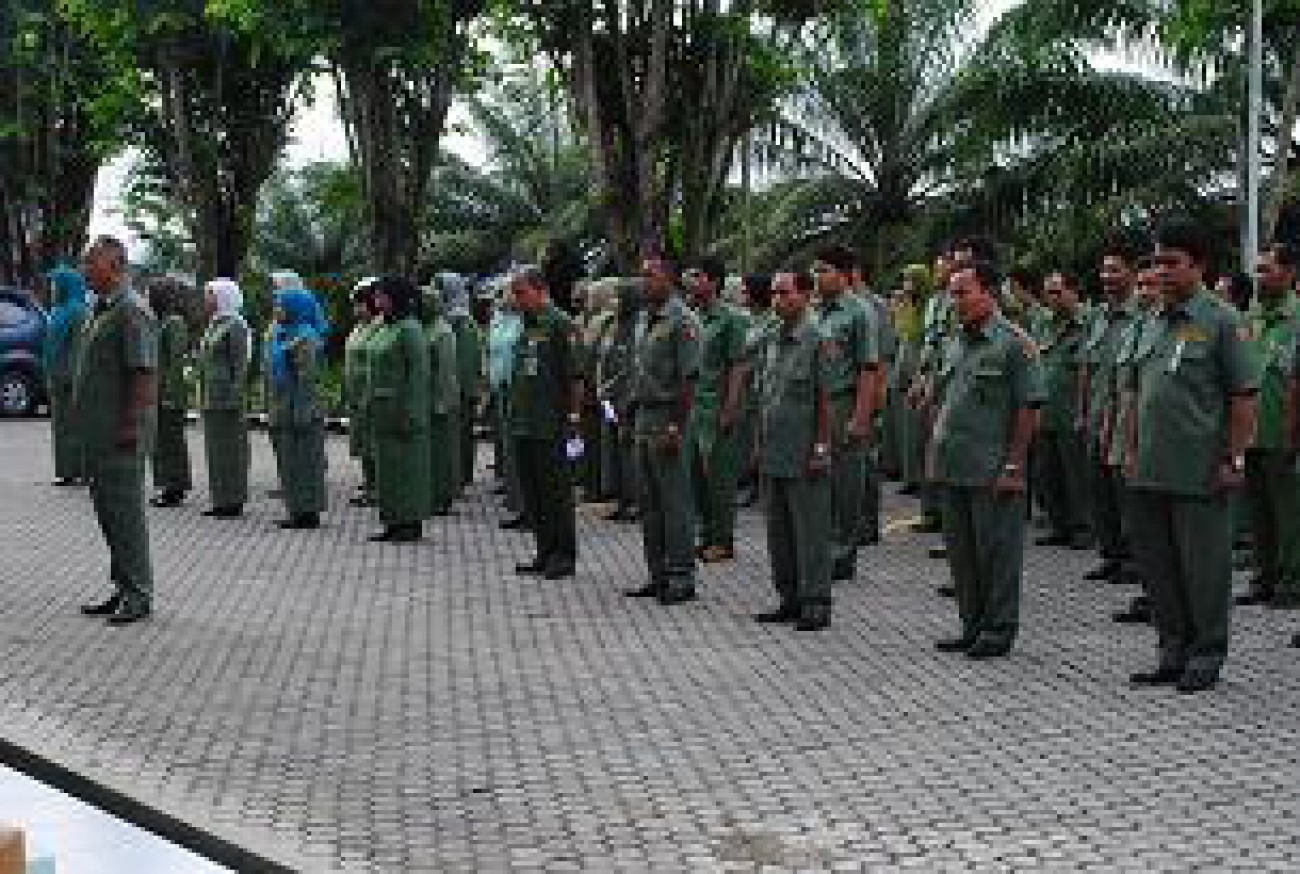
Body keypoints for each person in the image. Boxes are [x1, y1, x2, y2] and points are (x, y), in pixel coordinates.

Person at [1126, 221, 1257, 693]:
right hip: (1151, 467)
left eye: (1171, 262)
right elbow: (1136, 392)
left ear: (1197, 266)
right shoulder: (1148, 320)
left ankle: (1206, 652)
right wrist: (1129, 449)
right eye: (1157, 261)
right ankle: (1172, 649)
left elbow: (1243, 398)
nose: (1161, 271)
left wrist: (1233, 460)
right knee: (1159, 569)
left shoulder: (1222, 321)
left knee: (1204, 570)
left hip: (1200, 469)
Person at [930, 261, 1044, 658]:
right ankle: (972, 623)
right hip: (955, 465)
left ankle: (998, 629)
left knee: (997, 553)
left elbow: (1028, 408)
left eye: (963, 292)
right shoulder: (956, 341)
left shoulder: (1015, 343)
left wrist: (1014, 465)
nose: (954, 300)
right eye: (952, 293)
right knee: (962, 555)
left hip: (993, 466)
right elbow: (949, 401)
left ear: (988, 293)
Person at [74, 236, 158, 626]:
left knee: (125, 514)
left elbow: (142, 373)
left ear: (115, 264)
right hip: (99, 432)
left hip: (120, 434)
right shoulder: (101, 308)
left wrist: (130, 424)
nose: (85, 269)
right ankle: (123, 585)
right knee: (109, 513)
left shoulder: (131, 311)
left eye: (91, 262)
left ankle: (139, 595)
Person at [753, 271, 835, 631]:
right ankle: (788, 597)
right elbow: (766, 395)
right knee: (779, 531)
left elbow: (826, 399)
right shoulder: (773, 337)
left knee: (810, 530)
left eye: (784, 293)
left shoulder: (819, 338)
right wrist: (759, 441)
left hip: (805, 451)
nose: (776, 299)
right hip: (775, 448)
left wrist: (821, 445)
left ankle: (815, 601)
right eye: (773, 293)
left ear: (804, 295)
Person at [625, 255, 702, 605]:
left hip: (670, 416)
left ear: (669, 279)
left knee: (675, 503)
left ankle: (681, 576)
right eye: (642, 276)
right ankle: (657, 574)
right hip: (645, 415)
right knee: (649, 503)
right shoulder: (644, 318)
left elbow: (689, 380)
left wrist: (676, 426)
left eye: (651, 276)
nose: (644, 282)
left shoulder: (682, 321)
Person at [811, 245, 882, 581]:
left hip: (844, 402)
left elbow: (869, 367)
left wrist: (861, 417)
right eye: (816, 271)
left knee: (847, 482)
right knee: (821, 480)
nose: (817, 277)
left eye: (824, 270)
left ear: (843, 274)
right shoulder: (816, 310)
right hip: (817, 404)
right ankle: (822, 546)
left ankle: (843, 552)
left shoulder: (859, 311)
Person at [507, 266, 581, 579]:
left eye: (521, 292)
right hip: (525, 421)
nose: (516, 299)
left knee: (556, 493)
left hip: (551, 423)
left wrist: (573, 417)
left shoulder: (560, 324)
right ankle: (544, 550)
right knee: (533, 492)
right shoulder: (526, 324)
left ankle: (563, 555)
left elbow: (574, 376)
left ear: (540, 290)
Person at [1238, 244, 1300, 608]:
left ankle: (1291, 583)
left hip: (1284, 431)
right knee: (1258, 513)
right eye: (1257, 270)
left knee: (1289, 515)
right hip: (1252, 432)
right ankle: (1264, 577)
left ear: (1290, 273)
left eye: (1267, 269)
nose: (1260, 276)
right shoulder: (1252, 316)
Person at [685, 257, 749, 563]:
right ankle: (706, 534)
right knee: (697, 477)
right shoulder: (693, 317)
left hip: (717, 406)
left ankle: (723, 540)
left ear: (712, 281)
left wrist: (731, 406)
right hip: (695, 407)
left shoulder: (731, 319)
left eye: (697, 276)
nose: (691, 282)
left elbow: (738, 364)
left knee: (719, 478)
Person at [1081, 243, 1139, 582]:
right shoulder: (1096, 317)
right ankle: (1111, 554)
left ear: (1131, 273)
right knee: (1098, 488)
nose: (1107, 277)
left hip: (1124, 418)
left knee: (1124, 490)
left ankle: (1133, 558)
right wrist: (1083, 410)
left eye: (1115, 270)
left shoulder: (1142, 315)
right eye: (1104, 271)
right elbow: (1087, 368)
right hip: (1097, 414)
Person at [364, 276, 432, 543]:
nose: (377, 301)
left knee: (407, 469)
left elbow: (417, 374)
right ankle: (392, 519)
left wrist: (412, 412)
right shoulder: (383, 326)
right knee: (388, 470)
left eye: (382, 296)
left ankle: (409, 522)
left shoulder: (410, 328)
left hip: (402, 410)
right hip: (382, 411)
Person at [1035, 271, 1092, 549]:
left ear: (1072, 292)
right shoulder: (1044, 324)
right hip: (1047, 412)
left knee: (1075, 475)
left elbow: (1086, 370)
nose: (1052, 299)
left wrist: (1083, 411)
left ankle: (1081, 527)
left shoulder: (1087, 323)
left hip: (1071, 411)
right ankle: (1058, 525)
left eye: (1057, 292)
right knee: (1049, 474)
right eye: (1048, 293)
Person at [267, 288, 328, 530]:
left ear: (295, 309)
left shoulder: (305, 337)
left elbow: (307, 379)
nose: (277, 311)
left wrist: (302, 411)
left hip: (302, 409)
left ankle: (308, 511)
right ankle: (297, 509)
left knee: (306, 461)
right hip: (286, 406)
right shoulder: (284, 334)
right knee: (292, 461)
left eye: (281, 306)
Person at [198, 278, 251, 518]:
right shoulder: (214, 324)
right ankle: (220, 498)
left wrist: (235, 396)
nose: (206, 300)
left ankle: (233, 499)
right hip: (211, 396)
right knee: (215, 451)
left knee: (230, 451)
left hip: (227, 399)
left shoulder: (235, 326)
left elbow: (239, 366)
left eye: (210, 295)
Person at [595, 277, 642, 522]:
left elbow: (631, 369)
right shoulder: (613, 325)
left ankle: (634, 501)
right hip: (609, 399)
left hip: (627, 400)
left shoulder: (637, 327)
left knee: (627, 450)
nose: (615, 302)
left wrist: (616, 392)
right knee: (613, 449)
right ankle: (621, 498)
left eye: (620, 297)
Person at [147, 278, 193, 508]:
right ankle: (166, 484)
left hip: (169, 394)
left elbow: (176, 361)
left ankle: (175, 486)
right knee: (160, 441)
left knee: (171, 442)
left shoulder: (174, 323)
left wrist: (170, 393)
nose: (149, 298)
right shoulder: (160, 321)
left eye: (152, 294)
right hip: (157, 390)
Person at [42, 266, 89, 486]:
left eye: (55, 284)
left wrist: (73, 378)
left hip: (70, 380)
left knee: (74, 426)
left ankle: (80, 470)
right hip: (57, 377)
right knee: (60, 427)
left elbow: (78, 350)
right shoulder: (58, 311)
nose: (52, 288)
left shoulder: (78, 311)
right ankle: (66, 470)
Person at [486, 285, 525, 521]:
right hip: (502, 388)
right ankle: (515, 500)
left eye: (511, 292)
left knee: (519, 448)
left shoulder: (525, 321)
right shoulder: (501, 320)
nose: (505, 297)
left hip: (519, 389)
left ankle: (524, 505)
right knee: (509, 447)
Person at [424, 283, 461, 518]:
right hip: (426, 398)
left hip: (441, 399)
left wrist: (442, 401)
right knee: (431, 451)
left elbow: (446, 371)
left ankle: (444, 496)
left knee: (442, 451)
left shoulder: (442, 331)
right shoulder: (425, 328)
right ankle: (432, 493)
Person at [441, 272, 482, 490]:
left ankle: (462, 476)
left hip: (462, 389)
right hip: (458, 388)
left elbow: (465, 360)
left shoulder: (462, 321)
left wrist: (461, 389)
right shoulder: (455, 318)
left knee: (462, 435)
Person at [343, 278, 380, 508]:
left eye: (361, 305)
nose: (357, 310)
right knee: (362, 444)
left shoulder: (379, 327)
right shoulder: (359, 328)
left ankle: (377, 487)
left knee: (372, 444)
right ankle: (369, 483)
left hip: (369, 395)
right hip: (355, 396)